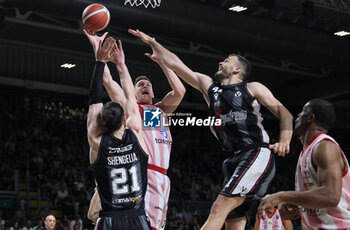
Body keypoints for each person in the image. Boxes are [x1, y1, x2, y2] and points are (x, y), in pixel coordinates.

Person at [129, 29, 293, 230]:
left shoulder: (253, 88)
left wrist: (285, 139)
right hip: (231, 159)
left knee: (218, 208)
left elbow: (285, 114)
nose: (220, 63)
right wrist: (154, 43)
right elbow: (177, 65)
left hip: (255, 152)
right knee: (233, 220)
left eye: (226, 61)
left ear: (237, 70)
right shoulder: (210, 88)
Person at [84, 29, 186, 230]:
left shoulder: (159, 112)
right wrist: (98, 50)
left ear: (154, 92)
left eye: (148, 84)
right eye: (140, 84)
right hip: (140, 172)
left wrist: (163, 63)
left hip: (162, 177)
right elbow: (107, 81)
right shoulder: (130, 106)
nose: (145, 85)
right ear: (134, 91)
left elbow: (180, 91)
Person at [86, 36, 151, 230]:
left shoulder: (96, 142)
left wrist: (99, 61)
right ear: (125, 120)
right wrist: (121, 64)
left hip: (110, 220)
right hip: (138, 217)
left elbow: (94, 98)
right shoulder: (137, 135)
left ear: (101, 122)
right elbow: (131, 96)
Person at [258, 98, 350, 230]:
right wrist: (291, 202)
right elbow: (317, 196)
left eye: (302, 112)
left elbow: (331, 195)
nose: (298, 115)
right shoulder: (306, 151)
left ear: (310, 117)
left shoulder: (325, 147)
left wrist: (282, 196)